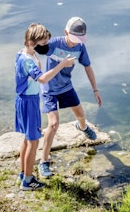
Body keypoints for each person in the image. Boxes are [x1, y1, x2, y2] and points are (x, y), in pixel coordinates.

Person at [38, 16, 103, 178]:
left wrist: (95, 90)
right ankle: (43, 161)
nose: (75, 42)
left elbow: (87, 67)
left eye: (79, 39)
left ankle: (81, 127)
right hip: (49, 89)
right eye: (73, 38)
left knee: (81, 115)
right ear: (65, 32)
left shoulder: (80, 47)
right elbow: (34, 47)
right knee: (53, 125)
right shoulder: (53, 44)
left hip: (66, 87)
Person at [15, 24, 75, 190]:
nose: (46, 46)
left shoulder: (22, 54)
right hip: (28, 102)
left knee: (28, 139)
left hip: (27, 99)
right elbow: (42, 79)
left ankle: (23, 174)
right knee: (33, 142)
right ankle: (28, 181)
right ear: (32, 42)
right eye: (43, 43)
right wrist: (62, 64)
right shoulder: (28, 61)